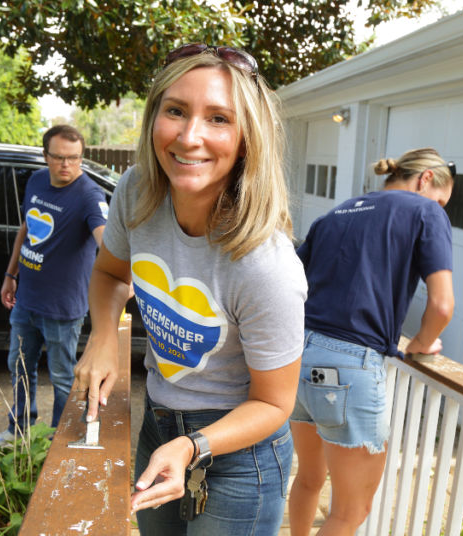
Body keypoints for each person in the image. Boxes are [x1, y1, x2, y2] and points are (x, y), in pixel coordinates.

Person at [71, 44, 307, 534]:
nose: (189, 135)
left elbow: (274, 404)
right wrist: (101, 339)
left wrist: (193, 446)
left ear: (246, 139)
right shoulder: (137, 189)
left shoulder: (266, 265)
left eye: (219, 118)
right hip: (160, 423)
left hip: (239, 457)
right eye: (175, 110)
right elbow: (111, 274)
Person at [288, 148, 456, 536]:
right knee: (350, 511)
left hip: (298, 355)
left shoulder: (336, 213)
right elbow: (443, 305)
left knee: (309, 478)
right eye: (442, 200)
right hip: (350, 364)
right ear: (427, 179)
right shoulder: (424, 211)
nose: (440, 208)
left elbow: (289, 282)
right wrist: (422, 342)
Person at [0, 124, 108, 446]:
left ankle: (56, 440)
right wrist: (10, 275)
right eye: (59, 158)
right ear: (46, 156)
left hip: (63, 308)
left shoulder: (89, 196)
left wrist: (121, 274)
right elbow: (27, 227)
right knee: (19, 368)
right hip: (26, 299)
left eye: (74, 158)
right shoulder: (37, 181)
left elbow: (106, 241)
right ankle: (18, 431)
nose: (67, 165)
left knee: (62, 378)